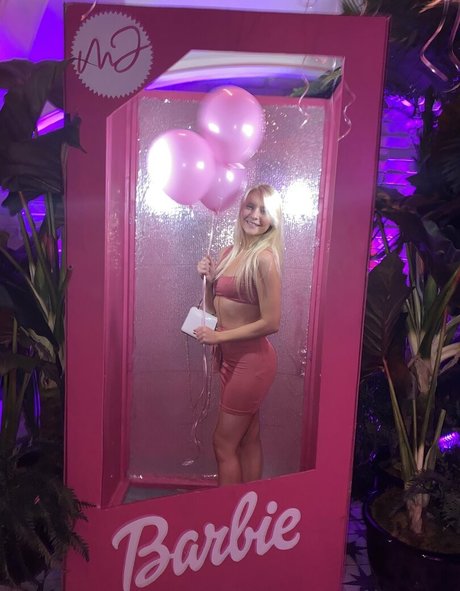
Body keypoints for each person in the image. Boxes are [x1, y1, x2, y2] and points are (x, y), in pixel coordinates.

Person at [195, 184, 283, 486]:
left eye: (264, 210)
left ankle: (227, 512)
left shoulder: (265, 259)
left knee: (223, 443)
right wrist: (208, 281)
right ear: (241, 209)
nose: (255, 215)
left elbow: (272, 322)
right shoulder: (228, 252)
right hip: (230, 361)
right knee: (247, 437)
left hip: (252, 363)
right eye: (250, 206)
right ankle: (249, 506)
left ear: (273, 219)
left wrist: (219, 338)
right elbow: (214, 310)